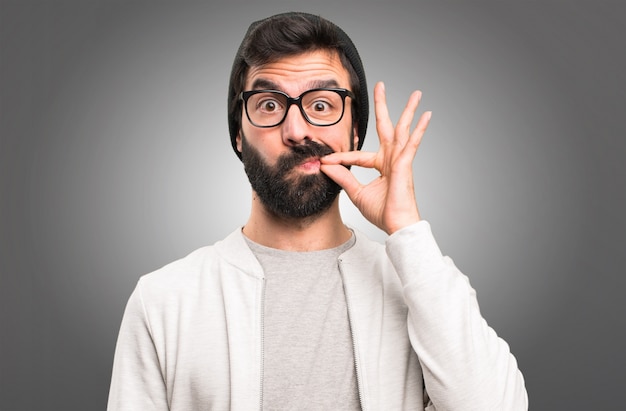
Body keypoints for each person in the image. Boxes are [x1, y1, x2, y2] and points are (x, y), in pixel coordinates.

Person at [107, 11, 528, 410]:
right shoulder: (164, 301)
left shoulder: (415, 287)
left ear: (355, 131)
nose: (297, 130)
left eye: (322, 105)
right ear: (239, 134)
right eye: (269, 105)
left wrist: (408, 231)